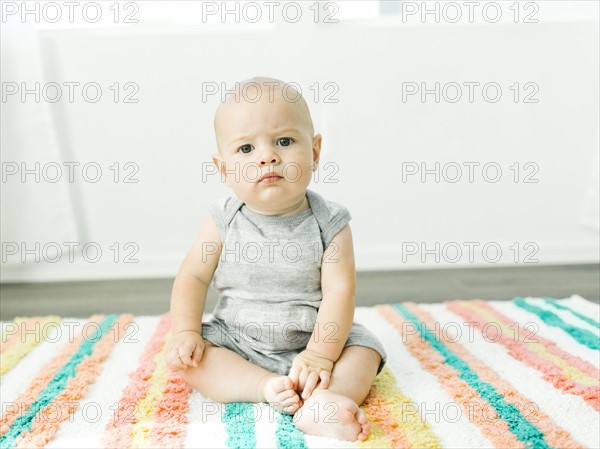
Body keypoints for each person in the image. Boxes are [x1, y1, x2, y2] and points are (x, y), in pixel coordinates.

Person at [166, 77, 386, 441]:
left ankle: (325, 401)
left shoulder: (330, 223)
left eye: (284, 141)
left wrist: (319, 355)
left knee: (365, 351)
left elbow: (339, 293)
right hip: (237, 339)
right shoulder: (222, 219)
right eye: (246, 148)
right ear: (223, 170)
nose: (267, 156)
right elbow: (192, 276)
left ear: (315, 152)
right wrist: (185, 332)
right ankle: (263, 386)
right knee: (194, 360)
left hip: (314, 338)